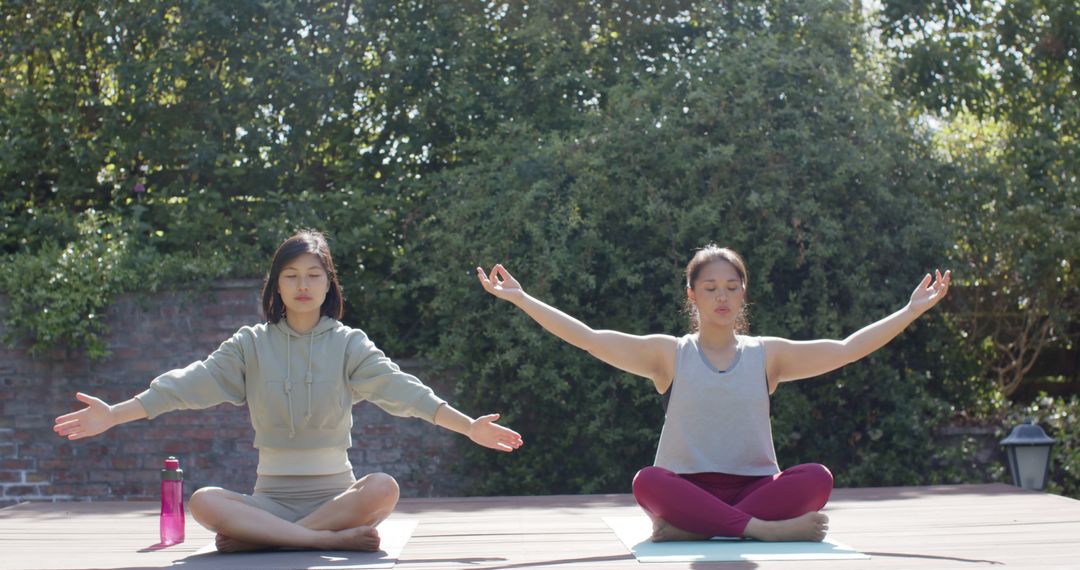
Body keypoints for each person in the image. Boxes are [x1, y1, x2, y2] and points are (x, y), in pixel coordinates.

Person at [54, 230, 523, 553]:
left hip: (338, 498)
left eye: (313, 275)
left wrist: (467, 426)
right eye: (292, 275)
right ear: (277, 284)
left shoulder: (348, 343)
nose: (303, 284)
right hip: (269, 499)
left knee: (383, 488)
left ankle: (271, 537)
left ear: (328, 284)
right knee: (202, 500)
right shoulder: (250, 344)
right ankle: (320, 540)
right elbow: (184, 385)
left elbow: (406, 391)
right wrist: (113, 414)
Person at [477, 246, 949, 542]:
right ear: (693, 296)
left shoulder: (769, 355)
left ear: (743, 294)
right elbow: (589, 337)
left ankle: (697, 528)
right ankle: (758, 531)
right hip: (685, 487)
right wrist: (522, 298)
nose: (722, 296)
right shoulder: (669, 355)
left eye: (731, 287)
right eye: (710, 288)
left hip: (755, 487)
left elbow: (846, 350)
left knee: (817, 479)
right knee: (647, 482)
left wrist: (909, 310)